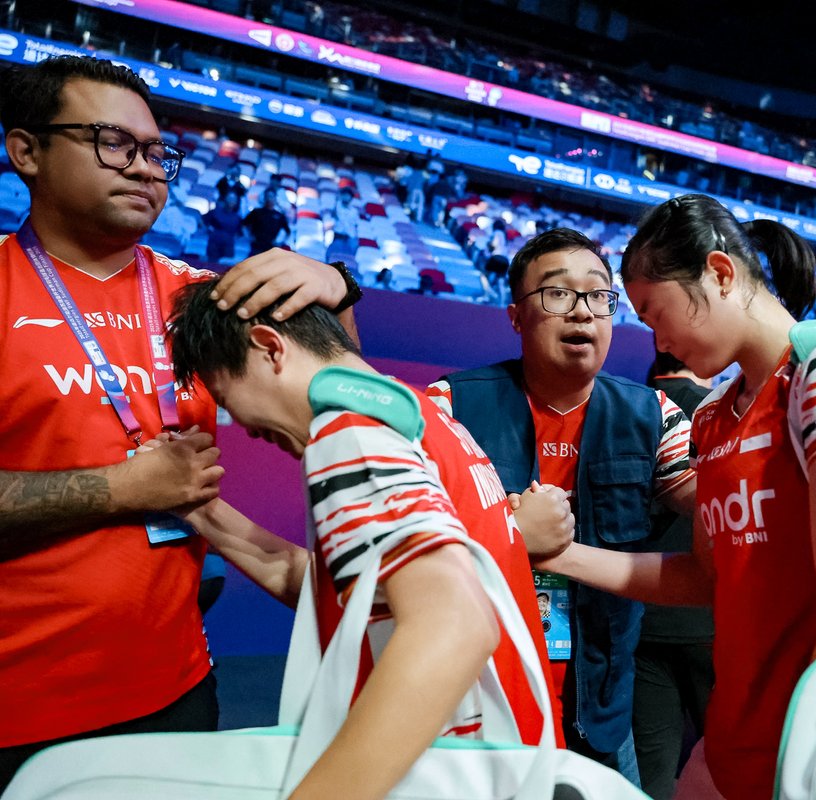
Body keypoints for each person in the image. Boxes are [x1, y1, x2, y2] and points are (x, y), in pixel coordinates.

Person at [0, 55, 361, 791]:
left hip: (177, 690)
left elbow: (347, 395)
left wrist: (335, 283)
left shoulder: (202, 299)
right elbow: (134, 487)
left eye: (158, 151)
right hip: (19, 710)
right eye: (112, 142)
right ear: (26, 150)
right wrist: (120, 488)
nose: (145, 168)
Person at [518, 195, 816, 799]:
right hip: (729, 745)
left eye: (657, 314)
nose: (657, 338)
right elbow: (709, 577)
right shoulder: (712, 417)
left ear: (720, 274)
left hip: (814, 755)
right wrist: (557, 555)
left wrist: (811, 764)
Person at [166, 279, 559, 799]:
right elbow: (352, 591)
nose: (239, 422)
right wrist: (200, 508)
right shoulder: (416, 416)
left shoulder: (348, 434)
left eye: (224, 397)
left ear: (269, 348)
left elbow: (455, 624)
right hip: (505, 757)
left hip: (448, 773)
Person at [426, 228, 696, 785]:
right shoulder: (447, 407)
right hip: (474, 707)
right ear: (516, 315)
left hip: (599, 715)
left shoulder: (655, 416)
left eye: (599, 296)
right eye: (557, 294)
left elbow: (727, 513)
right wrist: (509, 534)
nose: (582, 312)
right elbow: (402, 545)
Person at [635, 348, 715, 800]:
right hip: (708, 615)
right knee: (734, 764)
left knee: (653, 771)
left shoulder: (628, 406)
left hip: (642, 613)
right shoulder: (718, 411)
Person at [241, 190, 291, 256]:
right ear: (264, 198)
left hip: (270, 248)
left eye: (271, 196)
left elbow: (288, 232)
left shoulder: (279, 215)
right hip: (257, 247)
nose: (269, 199)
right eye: (267, 196)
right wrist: (249, 236)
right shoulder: (256, 212)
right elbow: (243, 225)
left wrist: (280, 242)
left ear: (275, 198)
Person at [203, 190, 242, 264]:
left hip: (228, 246)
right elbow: (203, 221)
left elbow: (239, 233)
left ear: (236, 202)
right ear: (225, 199)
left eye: (234, 199)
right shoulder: (215, 212)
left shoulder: (237, 217)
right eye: (230, 198)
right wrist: (208, 229)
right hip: (214, 243)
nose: (231, 201)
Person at [327, 186, 361, 262]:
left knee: (347, 258)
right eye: (344, 195)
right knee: (334, 256)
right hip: (338, 235)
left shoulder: (354, 211)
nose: (346, 197)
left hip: (350, 237)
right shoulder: (336, 206)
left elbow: (356, 225)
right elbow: (333, 216)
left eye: (347, 195)